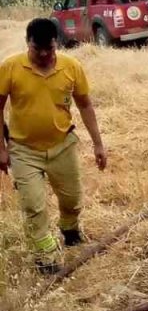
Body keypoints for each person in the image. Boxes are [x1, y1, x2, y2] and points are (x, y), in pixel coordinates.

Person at [0, 18, 108, 275]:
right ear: (28, 44)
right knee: (34, 206)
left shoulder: (71, 66)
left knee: (72, 199)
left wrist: (98, 144)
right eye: (39, 50)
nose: (46, 54)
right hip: (24, 150)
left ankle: (69, 228)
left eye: (51, 48)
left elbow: (85, 105)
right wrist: (2, 149)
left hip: (63, 146)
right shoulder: (10, 67)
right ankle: (46, 258)